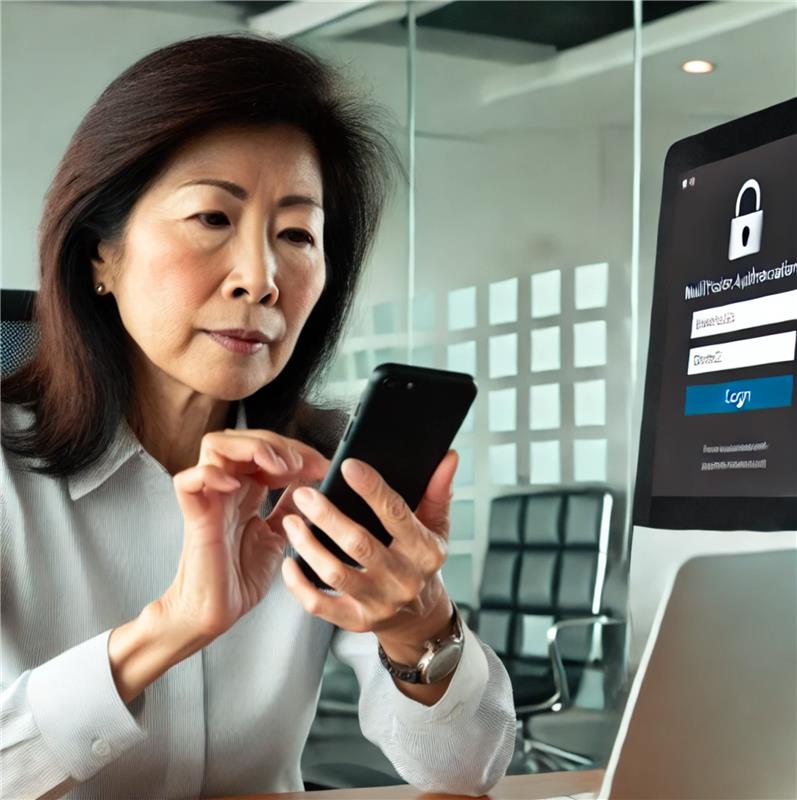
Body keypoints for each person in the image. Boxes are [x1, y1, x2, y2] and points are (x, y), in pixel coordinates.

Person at [0, 32, 516, 799]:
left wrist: (418, 629)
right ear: (100, 254)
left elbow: (465, 772)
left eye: (297, 234)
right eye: (212, 218)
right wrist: (168, 630)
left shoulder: (322, 474)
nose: (261, 278)